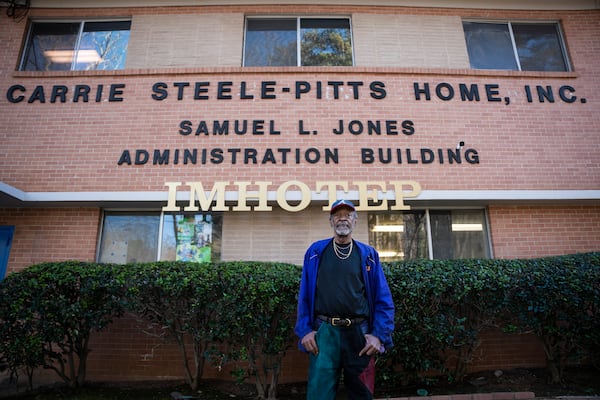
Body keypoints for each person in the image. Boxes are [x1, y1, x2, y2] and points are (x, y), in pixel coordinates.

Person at [295, 199, 395, 400]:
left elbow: (383, 300)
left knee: (361, 393)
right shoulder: (316, 252)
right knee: (318, 394)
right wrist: (305, 331)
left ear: (355, 221)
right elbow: (305, 295)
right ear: (331, 221)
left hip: (360, 335)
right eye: (338, 215)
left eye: (348, 215)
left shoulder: (368, 255)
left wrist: (378, 335)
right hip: (324, 333)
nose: (343, 219)